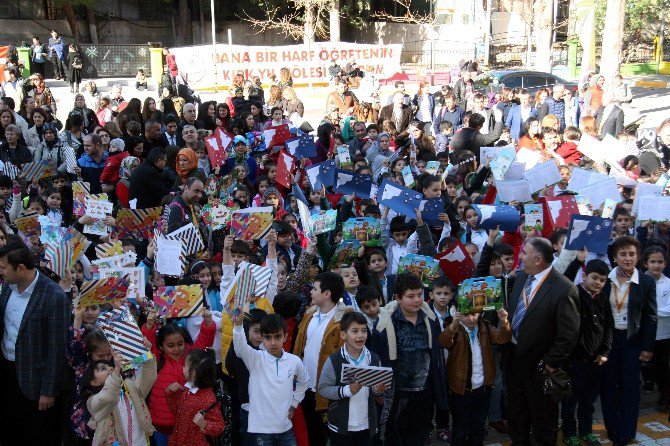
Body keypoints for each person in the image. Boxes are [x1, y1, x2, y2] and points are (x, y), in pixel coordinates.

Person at [505, 237, 580, 446]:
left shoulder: (564, 288)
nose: (519, 257)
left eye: (524, 253)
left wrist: (550, 362)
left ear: (537, 259)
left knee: (543, 420)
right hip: (514, 360)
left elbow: (569, 333)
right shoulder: (521, 278)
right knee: (517, 414)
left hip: (541, 367)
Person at [0, 241, 70, 446]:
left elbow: (58, 349)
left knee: (39, 435)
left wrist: (48, 390)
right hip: (7, 371)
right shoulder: (7, 288)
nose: (0, 272)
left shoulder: (53, 297)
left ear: (20, 268)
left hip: (36, 381)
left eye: (3, 267)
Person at [375, 272, 449, 446]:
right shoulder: (386, 323)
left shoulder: (429, 320)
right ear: (398, 298)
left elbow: (436, 355)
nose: (417, 300)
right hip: (397, 391)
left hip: (424, 390)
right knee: (395, 433)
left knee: (420, 433)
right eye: (410, 296)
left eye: (419, 295)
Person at [600, 236, 657, 446]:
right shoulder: (605, 278)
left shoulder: (646, 281)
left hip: (632, 341)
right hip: (608, 340)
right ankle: (612, 428)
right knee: (608, 385)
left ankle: (627, 431)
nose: (627, 258)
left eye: (632, 254)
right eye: (623, 254)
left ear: (638, 256)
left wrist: (648, 347)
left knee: (630, 387)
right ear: (614, 257)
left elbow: (651, 316)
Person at [233, 309, 309, 446]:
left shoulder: (294, 361)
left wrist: (294, 403)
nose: (273, 342)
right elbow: (240, 349)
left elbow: (304, 382)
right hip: (262, 430)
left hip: (285, 428)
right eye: (268, 337)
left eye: (277, 337)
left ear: (285, 337)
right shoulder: (256, 359)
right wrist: (238, 325)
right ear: (261, 337)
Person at [560, 257, 613, 446]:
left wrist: (605, 351)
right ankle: (568, 432)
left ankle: (585, 431)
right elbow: (565, 279)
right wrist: (577, 261)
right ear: (584, 276)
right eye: (595, 278)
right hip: (575, 360)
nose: (598, 283)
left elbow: (608, 327)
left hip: (596, 360)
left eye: (602, 280)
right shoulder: (574, 293)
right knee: (570, 400)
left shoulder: (603, 297)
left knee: (589, 400)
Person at [440, 307, 511, 446]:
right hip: (461, 389)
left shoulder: (485, 326)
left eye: (474, 314)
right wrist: (454, 325)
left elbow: (503, 338)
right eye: (466, 315)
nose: (471, 318)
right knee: (460, 427)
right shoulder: (454, 327)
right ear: (458, 314)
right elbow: (444, 341)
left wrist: (504, 322)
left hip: (483, 387)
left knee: (478, 426)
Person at [293, 272, 350, 446]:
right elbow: (299, 348)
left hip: (329, 389)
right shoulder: (309, 315)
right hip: (306, 384)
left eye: (315, 288)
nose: (311, 291)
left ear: (327, 294)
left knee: (334, 434)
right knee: (313, 431)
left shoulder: (343, 321)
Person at [317, 311, 386, 445]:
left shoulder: (373, 359)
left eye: (364, 331)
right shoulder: (335, 360)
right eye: (355, 331)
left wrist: (378, 390)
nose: (360, 335)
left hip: (367, 423)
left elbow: (376, 392)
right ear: (343, 334)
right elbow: (323, 388)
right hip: (341, 426)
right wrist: (346, 390)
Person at [84, 351, 157, 446]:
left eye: (111, 366)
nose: (110, 368)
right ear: (95, 382)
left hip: (141, 442)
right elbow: (108, 397)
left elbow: (148, 377)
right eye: (103, 368)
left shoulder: (129, 386)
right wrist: (116, 371)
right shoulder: (94, 400)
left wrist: (146, 354)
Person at [166, 349, 225, 446]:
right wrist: (172, 394)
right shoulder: (186, 390)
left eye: (185, 365)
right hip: (179, 440)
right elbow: (177, 412)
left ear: (193, 372)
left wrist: (205, 424)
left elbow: (220, 426)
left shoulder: (208, 399)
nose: (183, 367)